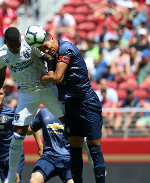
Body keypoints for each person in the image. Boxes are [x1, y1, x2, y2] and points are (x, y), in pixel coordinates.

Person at [0, 27, 66, 183]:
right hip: (26, 94)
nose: (16, 48)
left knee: (68, 123)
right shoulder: (1, 55)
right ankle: (11, 175)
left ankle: (89, 153)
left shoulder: (29, 44)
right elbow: (0, 76)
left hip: (46, 88)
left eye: (18, 44)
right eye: (12, 45)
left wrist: (50, 73)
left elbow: (48, 57)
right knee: (18, 134)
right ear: (5, 42)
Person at [38, 31, 106, 183]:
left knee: (94, 149)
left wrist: (44, 78)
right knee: (74, 152)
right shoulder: (54, 56)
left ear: (51, 38)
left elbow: (55, 78)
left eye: (46, 47)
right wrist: (49, 62)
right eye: (43, 50)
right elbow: (54, 77)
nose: (47, 51)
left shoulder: (65, 48)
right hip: (70, 105)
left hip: (87, 102)